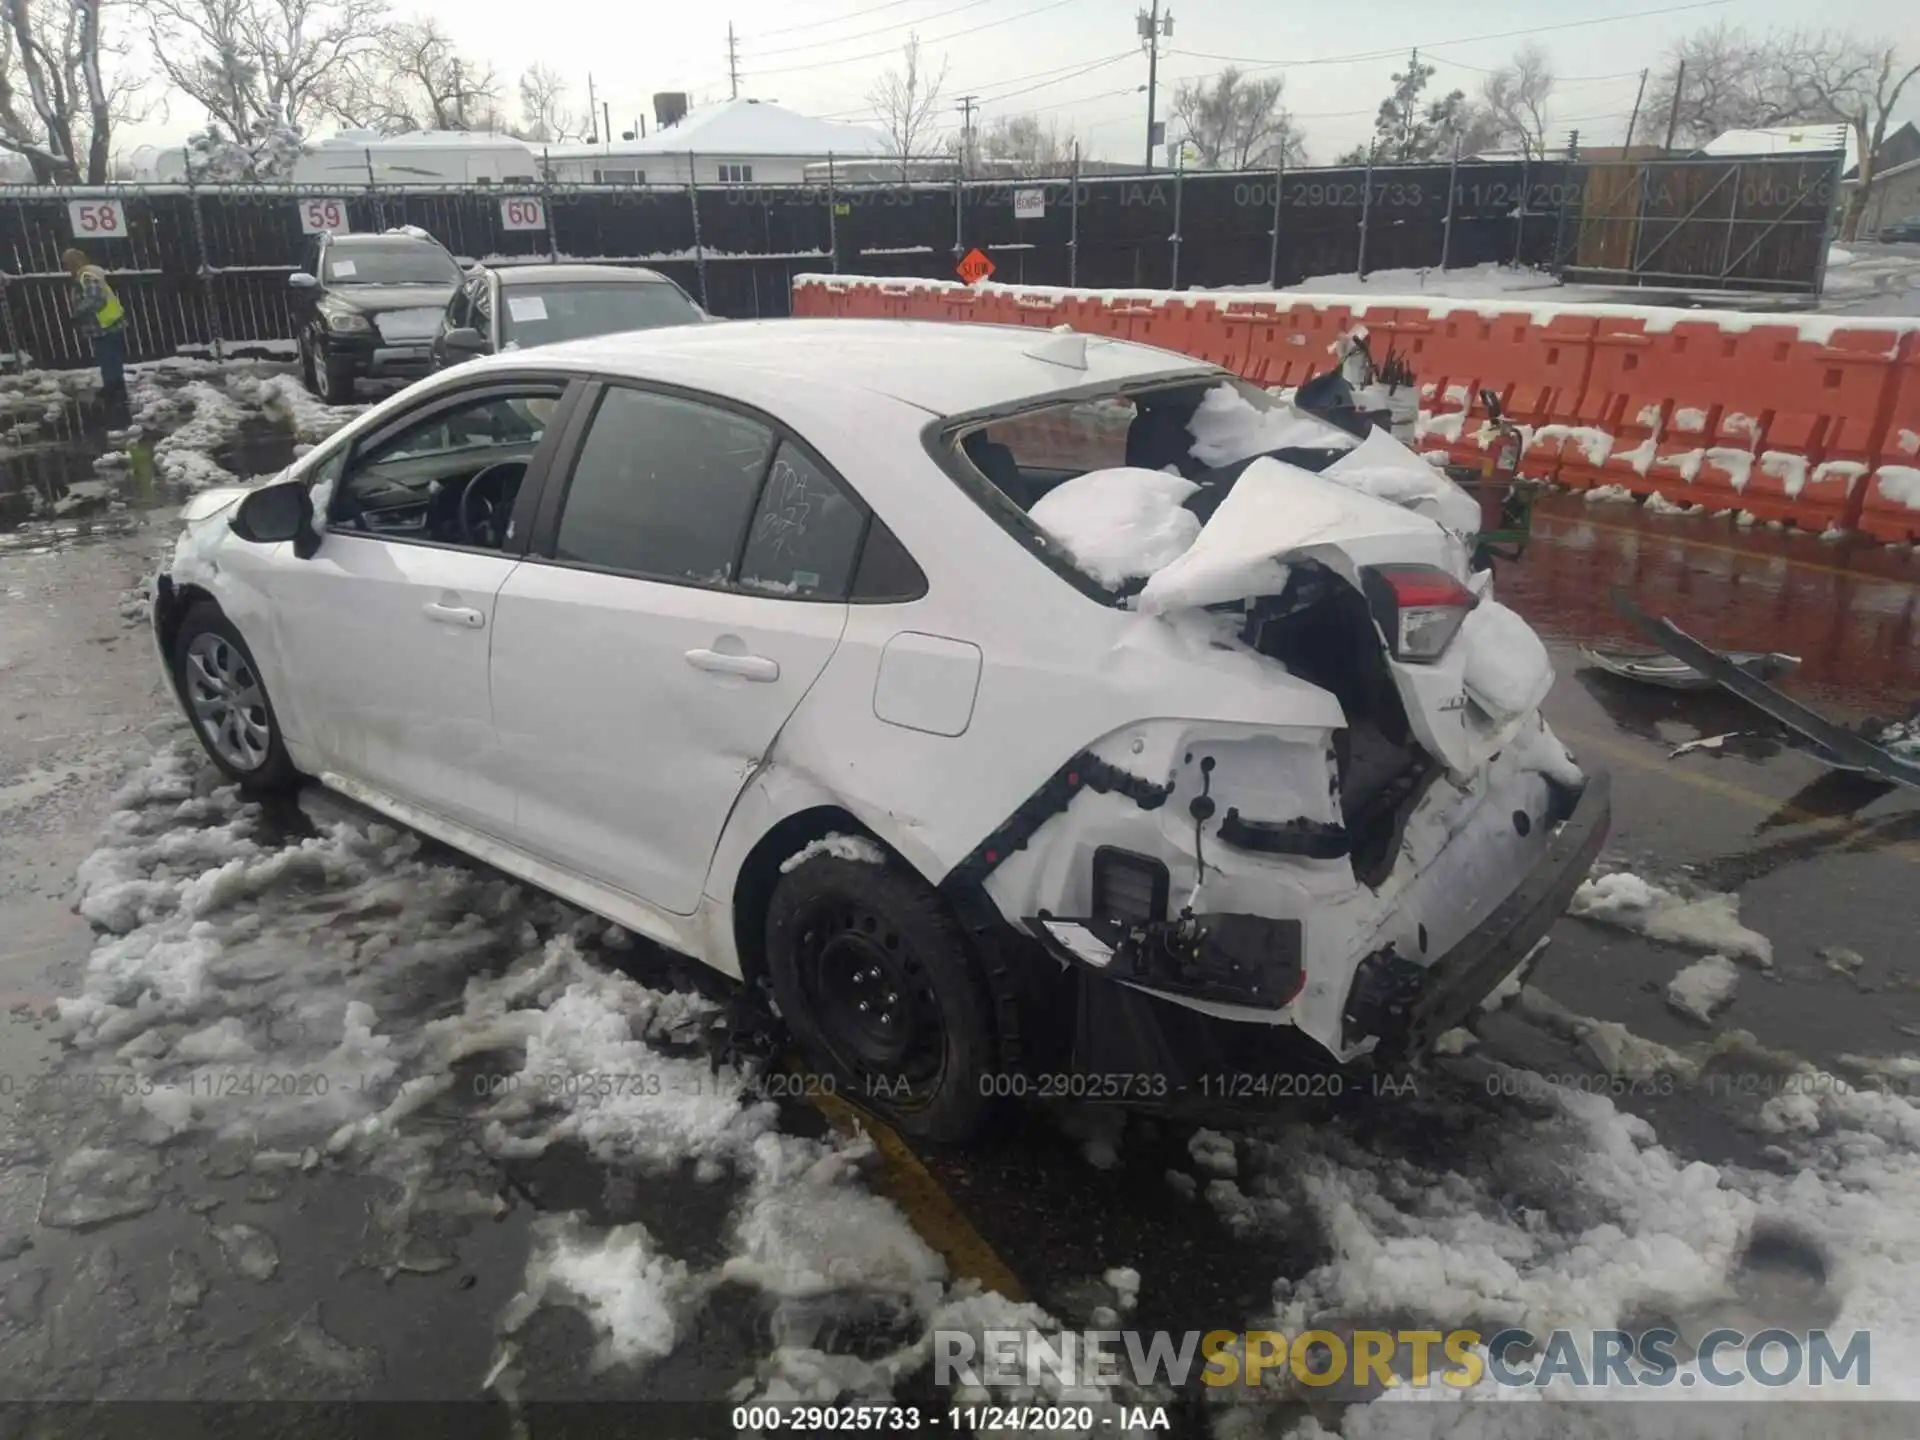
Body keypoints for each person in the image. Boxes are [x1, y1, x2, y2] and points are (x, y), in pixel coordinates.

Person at [63, 247, 126, 406]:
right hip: (112, 321)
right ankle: (117, 386)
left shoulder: (86, 276)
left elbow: (95, 298)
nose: (66, 268)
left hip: (102, 324)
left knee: (106, 357)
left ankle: (112, 389)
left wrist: (78, 313)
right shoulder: (93, 274)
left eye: (67, 264)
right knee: (113, 357)